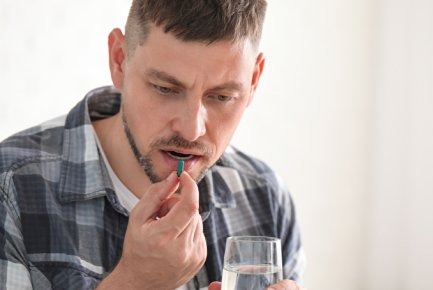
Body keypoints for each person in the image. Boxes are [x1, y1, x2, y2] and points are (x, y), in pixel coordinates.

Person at [0, 1, 306, 289]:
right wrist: (135, 282)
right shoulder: (12, 188)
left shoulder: (265, 197)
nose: (192, 129)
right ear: (119, 60)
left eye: (222, 96)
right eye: (165, 88)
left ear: (253, 81)